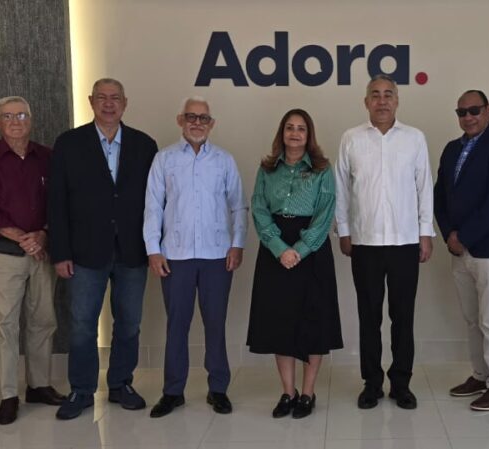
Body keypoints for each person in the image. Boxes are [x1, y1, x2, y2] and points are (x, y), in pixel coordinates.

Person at [49, 78, 158, 420]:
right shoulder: (69, 143)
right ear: (91, 101)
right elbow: (56, 202)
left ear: (125, 103)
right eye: (102, 98)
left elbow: (156, 202)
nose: (108, 104)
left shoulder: (144, 145)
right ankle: (81, 390)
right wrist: (60, 252)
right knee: (82, 324)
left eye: (115, 98)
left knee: (129, 323)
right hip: (84, 252)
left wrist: (155, 247)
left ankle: (121, 384)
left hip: (132, 250)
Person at [335, 74, 435, 410]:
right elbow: (340, 188)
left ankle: (401, 384)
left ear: (397, 101)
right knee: (369, 317)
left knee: (403, 317)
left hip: (405, 241)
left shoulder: (414, 138)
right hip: (365, 242)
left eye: (388, 94)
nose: (382, 101)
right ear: (366, 102)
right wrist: (344, 230)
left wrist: (425, 233)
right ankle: (372, 383)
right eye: (375, 95)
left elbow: (424, 187)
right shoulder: (350, 138)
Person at [144, 97, 247, 417]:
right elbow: (152, 206)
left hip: (217, 255)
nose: (197, 123)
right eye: (191, 117)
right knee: (177, 325)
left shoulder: (224, 160)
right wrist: (153, 249)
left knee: (215, 323)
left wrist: (238, 244)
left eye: (203, 118)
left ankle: (218, 389)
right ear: (181, 120)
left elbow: (238, 205)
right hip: (176, 256)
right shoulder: (164, 159)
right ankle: (173, 391)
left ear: (211, 123)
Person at [0, 96, 66, 424]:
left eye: (22, 115)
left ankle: (39, 385)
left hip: (43, 249)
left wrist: (43, 233)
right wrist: (24, 238)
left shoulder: (48, 157)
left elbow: (59, 202)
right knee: (5, 325)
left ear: (31, 119)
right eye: (8, 116)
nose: (15, 122)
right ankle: (8, 394)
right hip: (4, 252)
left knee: (43, 319)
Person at [247, 109, 342, 419]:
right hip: (275, 248)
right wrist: (279, 248)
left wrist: (299, 250)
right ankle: (288, 392)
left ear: (309, 135)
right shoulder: (267, 169)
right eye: (290, 127)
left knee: (313, 321)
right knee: (280, 322)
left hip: (311, 249)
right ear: (282, 133)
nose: (295, 133)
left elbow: (325, 213)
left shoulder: (322, 169)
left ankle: (308, 393)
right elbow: (259, 208)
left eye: (301, 128)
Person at [434, 90, 489, 411]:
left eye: (474, 110)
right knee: (472, 318)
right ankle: (481, 374)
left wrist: (465, 236)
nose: (468, 117)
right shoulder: (452, 149)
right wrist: (449, 234)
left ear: (488, 110)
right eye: (462, 112)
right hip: (459, 248)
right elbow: (440, 196)